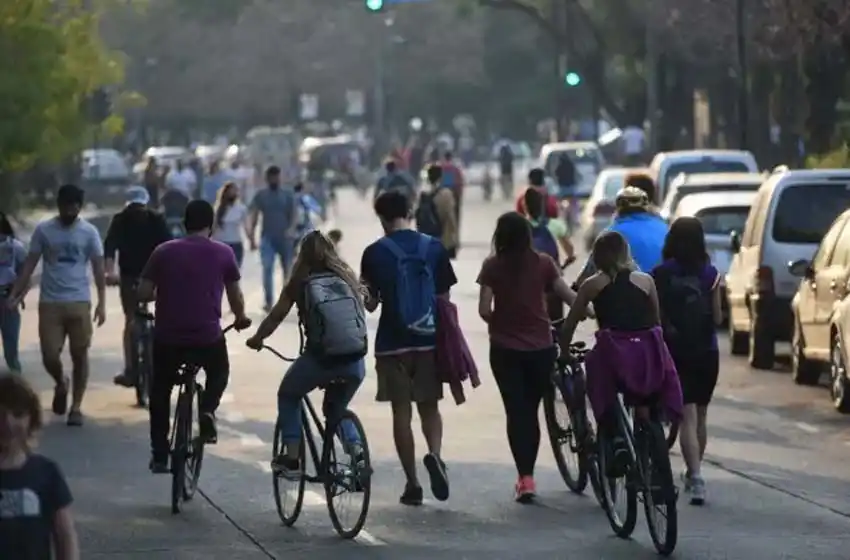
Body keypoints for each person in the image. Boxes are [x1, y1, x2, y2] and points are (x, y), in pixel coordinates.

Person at [476, 212, 584, 502]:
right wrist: (586, 308)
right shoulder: (544, 263)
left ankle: (525, 478)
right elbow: (567, 295)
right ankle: (528, 475)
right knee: (533, 411)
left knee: (517, 413)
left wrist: (503, 322)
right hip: (541, 349)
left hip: (505, 350)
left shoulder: (492, 266)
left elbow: (484, 309)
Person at [138, 200, 252, 473]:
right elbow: (235, 296)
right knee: (219, 371)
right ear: (211, 226)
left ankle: (160, 454)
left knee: (160, 390)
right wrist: (240, 317)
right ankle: (207, 410)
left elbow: (143, 292)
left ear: (184, 223)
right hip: (206, 338)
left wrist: (164, 293)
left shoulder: (163, 251)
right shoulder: (224, 252)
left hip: (168, 337)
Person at [559, 231, 682, 477]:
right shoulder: (646, 281)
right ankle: (651, 437)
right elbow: (655, 322)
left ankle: (614, 437)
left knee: (598, 381)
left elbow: (570, 325)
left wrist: (563, 351)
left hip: (614, 352)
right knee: (645, 398)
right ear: (626, 253)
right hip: (647, 350)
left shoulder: (592, 285)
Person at [360, 190, 455, 506]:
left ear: (381, 217)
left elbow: (370, 304)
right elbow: (443, 300)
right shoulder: (434, 247)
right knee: (430, 407)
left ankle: (412, 484)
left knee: (401, 412)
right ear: (409, 211)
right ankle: (435, 455)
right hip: (428, 340)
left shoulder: (374, 253)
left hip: (392, 343)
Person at [246, 231, 367, 477]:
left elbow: (276, 317)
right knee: (336, 408)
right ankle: (357, 452)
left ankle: (292, 458)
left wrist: (257, 339)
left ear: (302, 256)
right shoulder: (347, 277)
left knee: (288, 394)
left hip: (321, 360)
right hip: (354, 360)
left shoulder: (299, 283)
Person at [8, 184, 106, 427]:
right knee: (49, 355)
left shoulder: (89, 232)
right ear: (59, 205)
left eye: (75, 207)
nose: (70, 211)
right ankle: (61, 381)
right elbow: (30, 264)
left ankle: (76, 407)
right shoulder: (44, 230)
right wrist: (14, 294)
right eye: (66, 206)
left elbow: (98, 267)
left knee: (80, 354)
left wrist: (102, 303)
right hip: (50, 302)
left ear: (79, 207)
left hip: (79, 300)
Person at [651, 217, 722, 505]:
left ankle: (695, 476)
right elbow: (718, 317)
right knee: (701, 415)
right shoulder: (711, 274)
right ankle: (695, 471)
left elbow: (655, 317)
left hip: (677, 351)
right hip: (708, 351)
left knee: (687, 416)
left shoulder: (660, 274)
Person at [0, 374, 79, 559]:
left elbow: (65, 535)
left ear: (32, 420)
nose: (7, 423)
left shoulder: (46, 473)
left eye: (18, 414)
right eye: (0, 414)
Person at [105, 186, 171, 388]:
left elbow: (109, 251)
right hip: (142, 277)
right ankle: (134, 368)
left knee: (134, 320)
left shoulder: (124, 219)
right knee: (135, 321)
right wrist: (110, 272)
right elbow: (109, 250)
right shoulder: (151, 218)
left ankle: (132, 370)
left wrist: (110, 272)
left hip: (141, 277)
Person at [574, 180, 668, 285]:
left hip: (630, 291)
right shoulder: (664, 227)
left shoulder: (610, 234)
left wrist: (574, 287)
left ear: (618, 207)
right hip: (664, 289)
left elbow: (588, 273)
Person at [248, 165, 299, 312]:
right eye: (272, 177)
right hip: (267, 237)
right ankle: (269, 301)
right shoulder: (261, 195)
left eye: (277, 177)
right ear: (267, 179)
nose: (275, 180)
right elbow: (254, 214)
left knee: (287, 270)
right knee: (267, 267)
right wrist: (251, 236)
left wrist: (291, 229)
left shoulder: (287, 194)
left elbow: (294, 214)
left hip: (285, 237)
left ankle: (286, 301)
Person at [523, 187, 575, 322]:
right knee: (557, 323)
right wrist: (568, 260)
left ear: (524, 206)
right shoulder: (556, 225)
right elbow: (570, 251)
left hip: (527, 284)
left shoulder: (519, 226)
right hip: (552, 284)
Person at [0, 212, 26, 374]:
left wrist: (17, 298)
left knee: (11, 352)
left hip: (8, 299)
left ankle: (16, 384)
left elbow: (25, 277)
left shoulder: (16, 248)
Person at [415, 164, 458, 259]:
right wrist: (454, 238)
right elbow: (450, 219)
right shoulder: (446, 194)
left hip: (424, 240)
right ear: (440, 177)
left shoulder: (422, 194)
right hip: (442, 240)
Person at [213, 181, 249, 268]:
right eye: (231, 191)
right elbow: (213, 227)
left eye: (235, 191)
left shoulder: (241, 209)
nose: (233, 193)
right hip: (220, 243)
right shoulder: (218, 209)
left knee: (234, 271)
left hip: (235, 243)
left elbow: (246, 226)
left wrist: (251, 239)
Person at [554, 153, 580, 229]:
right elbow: (576, 174)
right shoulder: (571, 165)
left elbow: (556, 174)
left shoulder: (559, 166)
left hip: (562, 189)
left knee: (560, 204)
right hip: (571, 188)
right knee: (575, 205)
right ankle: (576, 220)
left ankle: (561, 219)